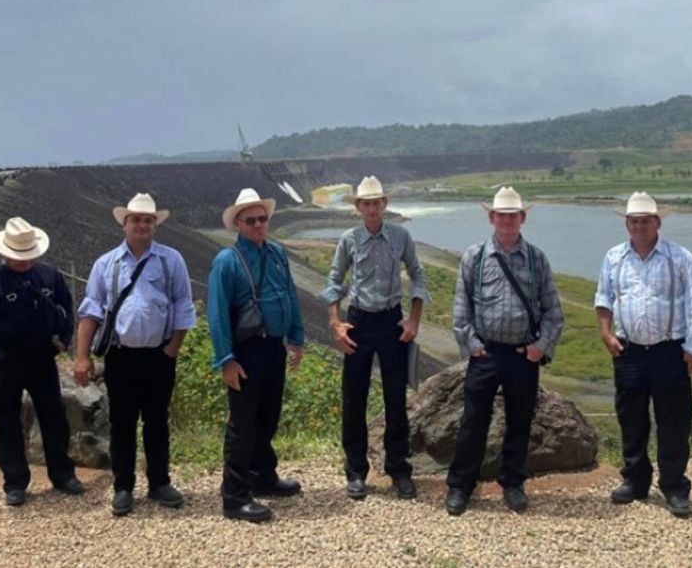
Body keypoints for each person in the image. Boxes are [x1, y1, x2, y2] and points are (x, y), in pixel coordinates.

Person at [73, 193, 196, 516]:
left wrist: (172, 349)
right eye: (136, 219)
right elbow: (91, 312)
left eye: (148, 220)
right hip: (121, 356)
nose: (142, 225)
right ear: (124, 223)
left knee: (157, 421)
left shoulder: (172, 261)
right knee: (122, 424)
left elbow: (183, 305)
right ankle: (123, 487)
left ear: (155, 225)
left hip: (159, 356)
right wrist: (82, 357)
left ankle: (159, 483)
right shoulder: (106, 264)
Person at [444, 186, 563, 516]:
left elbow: (554, 311)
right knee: (472, 422)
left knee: (520, 421)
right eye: (502, 215)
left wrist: (541, 348)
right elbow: (460, 306)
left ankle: (512, 482)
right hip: (486, 353)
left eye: (513, 215)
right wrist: (471, 345)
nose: (507, 221)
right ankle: (460, 485)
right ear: (491, 218)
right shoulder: (475, 256)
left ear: (522, 218)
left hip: (524, 354)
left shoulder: (537, 260)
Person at [594, 191, 692, 518]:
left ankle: (674, 485)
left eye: (645, 221)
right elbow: (603, 298)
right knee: (631, 418)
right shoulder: (614, 258)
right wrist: (605, 333)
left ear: (658, 223)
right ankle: (635, 479)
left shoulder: (680, 258)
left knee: (674, 419)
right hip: (629, 352)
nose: (639, 226)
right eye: (634, 221)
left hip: (670, 352)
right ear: (627, 224)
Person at [320, 176, 430, 500]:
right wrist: (335, 322)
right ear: (358, 207)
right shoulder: (349, 239)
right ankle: (356, 471)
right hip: (359, 322)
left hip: (392, 322)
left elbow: (418, 273)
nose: (371, 208)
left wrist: (414, 318)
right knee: (354, 399)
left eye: (376, 202)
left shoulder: (400, 236)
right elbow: (334, 278)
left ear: (385, 204)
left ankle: (399, 469)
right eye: (366, 203)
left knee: (396, 399)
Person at [0, 217, 84, 506]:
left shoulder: (48, 275)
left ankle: (62, 474)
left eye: (29, 255)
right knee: (7, 421)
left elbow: (66, 307)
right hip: (5, 363)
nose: (25, 261)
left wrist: (65, 338)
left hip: (43, 359)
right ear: (5, 252)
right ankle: (15, 482)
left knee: (54, 417)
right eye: (20, 256)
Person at [207, 188, 306, 523]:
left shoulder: (277, 252)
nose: (259, 225)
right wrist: (226, 360)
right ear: (238, 224)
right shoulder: (227, 261)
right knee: (243, 424)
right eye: (251, 221)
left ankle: (262, 475)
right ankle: (234, 496)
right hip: (246, 351)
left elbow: (289, 294)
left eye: (263, 219)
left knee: (268, 416)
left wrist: (296, 336)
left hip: (272, 347)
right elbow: (218, 314)